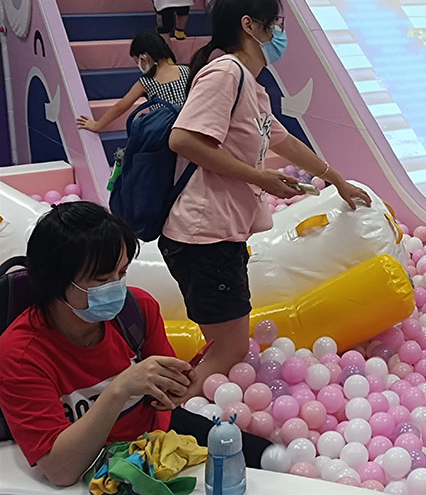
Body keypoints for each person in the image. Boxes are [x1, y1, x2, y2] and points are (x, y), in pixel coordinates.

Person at [160, 0, 371, 397]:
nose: (279, 33)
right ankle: (171, 415)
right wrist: (260, 178)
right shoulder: (225, 73)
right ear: (250, 26)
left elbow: (284, 141)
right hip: (203, 236)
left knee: (226, 344)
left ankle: (181, 405)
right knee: (230, 348)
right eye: (274, 23)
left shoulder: (250, 86)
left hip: (222, 234)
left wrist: (337, 180)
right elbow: (182, 140)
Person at [0, 202, 272, 487]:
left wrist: (176, 387)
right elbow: (61, 471)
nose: (116, 287)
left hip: (159, 438)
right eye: (102, 279)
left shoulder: (136, 310)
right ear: (56, 282)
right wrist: (120, 388)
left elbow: (167, 396)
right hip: (94, 464)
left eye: (121, 273)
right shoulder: (20, 353)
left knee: (265, 457)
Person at [76, 31, 190, 133]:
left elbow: (120, 107)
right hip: (189, 125)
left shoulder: (147, 82)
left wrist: (96, 125)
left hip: (164, 132)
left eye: (137, 61)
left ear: (144, 58)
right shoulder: (186, 71)